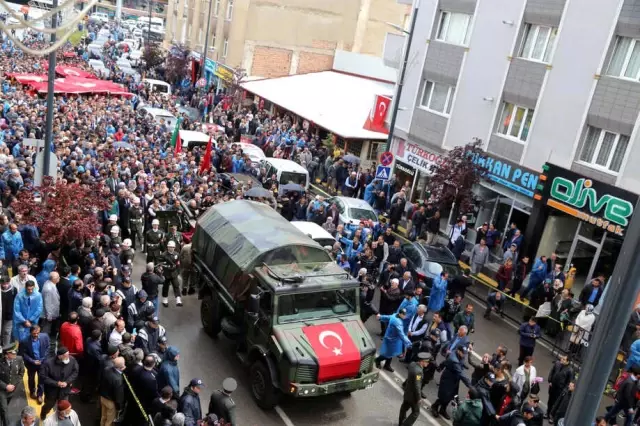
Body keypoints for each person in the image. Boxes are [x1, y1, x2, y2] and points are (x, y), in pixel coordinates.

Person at [431, 346, 471, 420]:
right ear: (458, 351)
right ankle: (434, 406)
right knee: (444, 396)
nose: (464, 355)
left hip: (455, 379)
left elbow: (446, 362)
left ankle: (443, 409)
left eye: (465, 353)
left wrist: (464, 365)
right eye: (463, 353)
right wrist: (470, 385)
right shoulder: (453, 359)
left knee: (451, 396)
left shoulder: (459, 356)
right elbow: (461, 373)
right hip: (448, 379)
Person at [39, 346, 79, 420]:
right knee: (48, 406)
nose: (68, 357)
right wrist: (56, 383)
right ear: (60, 356)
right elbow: (43, 377)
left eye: (68, 355)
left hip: (64, 391)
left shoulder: (72, 360)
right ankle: (43, 413)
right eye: (66, 356)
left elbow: (75, 372)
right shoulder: (48, 363)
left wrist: (67, 382)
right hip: (51, 391)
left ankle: (61, 417)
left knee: (64, 407)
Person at [398, 352, 431, 426]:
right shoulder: (418, 372)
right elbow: (417, 386)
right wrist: (419, 398)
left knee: (404, 408)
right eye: (427, 362)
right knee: (416, 412)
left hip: (407, 392)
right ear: (422, 361)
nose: (428, 363)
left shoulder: (412, 364)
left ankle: (401, 422)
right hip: (413, 397)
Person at [19, 325, 49, 404]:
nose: (36, 335)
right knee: (31, 379)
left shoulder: (45, 337)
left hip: (42, 363)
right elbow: (23, 353)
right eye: (34, 333)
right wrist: (32, 361)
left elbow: (48, 348)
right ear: (30, 332)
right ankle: (32, 391)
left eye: (37, 333)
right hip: (31, 364)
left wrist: (42, 359)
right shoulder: (24, 341)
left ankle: (40, 395)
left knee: (41, 379)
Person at [0, 343, 24, 425]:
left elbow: (21, 373)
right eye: (12, 353)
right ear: (6, 355)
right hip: (2, 389)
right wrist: (6, 386)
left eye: (15, 352)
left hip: (13, 389)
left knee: (6, 404)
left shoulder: (19, 359)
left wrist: (15, 385)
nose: (15, 354)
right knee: (4, 409)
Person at [99, 356, 126, 426]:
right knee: (109, 421)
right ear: (121, 367)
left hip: (102, 397)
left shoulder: (107, 369)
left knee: (103, 416)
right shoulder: (118, 379)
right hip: (110, 402)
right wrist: (119, 407)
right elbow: (118, 395)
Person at [160, 240, 182, 308]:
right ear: (167, 247)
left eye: (172, 247)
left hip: (174, 273)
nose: (171, 248)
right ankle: (165, 300)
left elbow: (178, 264)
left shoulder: (177, 254)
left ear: (174, 247)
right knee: (165, 287)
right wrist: (162, 273)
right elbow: (160, 264)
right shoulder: (163, 255)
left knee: (176, 286)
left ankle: (178, 300)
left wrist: (177, 272)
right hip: (166, 273)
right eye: (170, 247)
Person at [1, 279, 17, 347]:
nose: (5, 285)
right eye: (3, 283)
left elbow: (16, 302)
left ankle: (6, 347)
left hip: (9, 315)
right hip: (1, 315)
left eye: (6, 283)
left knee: (7, 332)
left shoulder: (13, 290)